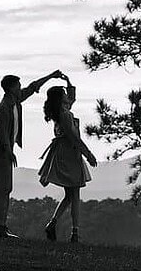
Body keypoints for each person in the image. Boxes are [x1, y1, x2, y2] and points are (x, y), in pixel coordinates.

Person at [0, 69, 63, 239]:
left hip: (6, 152)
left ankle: (1, 226)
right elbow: (1, 135)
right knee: (0, 189)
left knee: (6, 188)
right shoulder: (2, 109)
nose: (20, 87)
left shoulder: (14, 101)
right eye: (18, 85)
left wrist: (51, 76)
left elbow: (33, 87)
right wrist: (9, 152)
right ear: (11, 88)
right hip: (0, 153)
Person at [37, 74, 97, 243]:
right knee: (74, 193)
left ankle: (54, 224)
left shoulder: (61, 111)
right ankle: (74, 232)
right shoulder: (65, 114)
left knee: (70, 195)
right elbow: (74, 137)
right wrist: (88, 154)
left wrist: (68, 81)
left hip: (64, 153)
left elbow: (72, 97)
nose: (67, 95)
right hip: (69, 155)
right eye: (64, 93)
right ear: (60, 98)